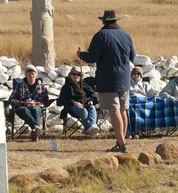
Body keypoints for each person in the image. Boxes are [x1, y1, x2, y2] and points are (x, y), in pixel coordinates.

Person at [77, 9, 136, 153]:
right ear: (116, 20)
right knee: (123, 110)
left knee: (114, 109)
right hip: (124, 77)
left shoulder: (100, 35)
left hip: (108, 78)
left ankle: (121, 144)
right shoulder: (126, 35)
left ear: (103, 21)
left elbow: (92, 57)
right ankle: (121, 140)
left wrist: (81, 54)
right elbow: (132, 57)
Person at [8, 64, 49, 140]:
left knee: (35, 109)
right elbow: (12, 100)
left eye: (33, 74)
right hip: (23, 107)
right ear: (25, 75)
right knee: (24, 110)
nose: (31, 76)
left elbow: (46, 101)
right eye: (29, 74)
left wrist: (36, 103)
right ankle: (36, 128)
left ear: (36, 75)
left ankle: (35, 131)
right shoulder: (20, 85)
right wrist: (23, 102)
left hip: (36, 107)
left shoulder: (41, 86)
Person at [57, 68, 99, 136]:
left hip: (86, 104)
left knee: (92, 108)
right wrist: (73, 102)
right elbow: (63, 99)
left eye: (78, 74)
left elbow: (92, 94)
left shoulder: (84, 85)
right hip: (72, 107)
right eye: (74, 74)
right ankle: (89, 129)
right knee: (83, 111)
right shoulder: (66, 87)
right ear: (70, 75)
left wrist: (91, 100)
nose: (76, 76)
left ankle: (91, 127)